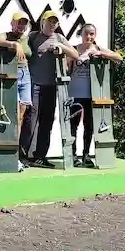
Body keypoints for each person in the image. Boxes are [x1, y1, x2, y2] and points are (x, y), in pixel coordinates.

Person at [27, 10, 79, 166]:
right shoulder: (33, 37)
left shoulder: (59, 38)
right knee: (29, 121)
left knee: (46, 122)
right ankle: (22, 155)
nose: (52, 24)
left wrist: (60, 46)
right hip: (33, 85)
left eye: (55, 22)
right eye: (49, 21)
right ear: (43, 21)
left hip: (51, 87)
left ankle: (40, 157)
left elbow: (75, 54)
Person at [68, 23, 122, 167]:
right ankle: (73, 156)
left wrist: (102, 54)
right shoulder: (74, 50)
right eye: (86, 33)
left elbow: (119, 57)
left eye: (92, 34)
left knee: (89, 126)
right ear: (81, 34)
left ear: (95, 35)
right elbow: (65, 67)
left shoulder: (97, 49)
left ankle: (86, 155)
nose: (89, 36)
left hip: (92, 94)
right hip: (74, 93)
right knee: (73, 125)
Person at [0, 12, 34, 166]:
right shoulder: (6, 35)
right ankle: (9, 152)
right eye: (19, 23)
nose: (21, 26)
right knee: (14, 114)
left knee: (22, 115)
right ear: (12, 23)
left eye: (24, 23)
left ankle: (16, 153)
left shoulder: (28, 38)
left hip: (26, 75)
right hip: (11, 74)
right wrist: (14, 44)